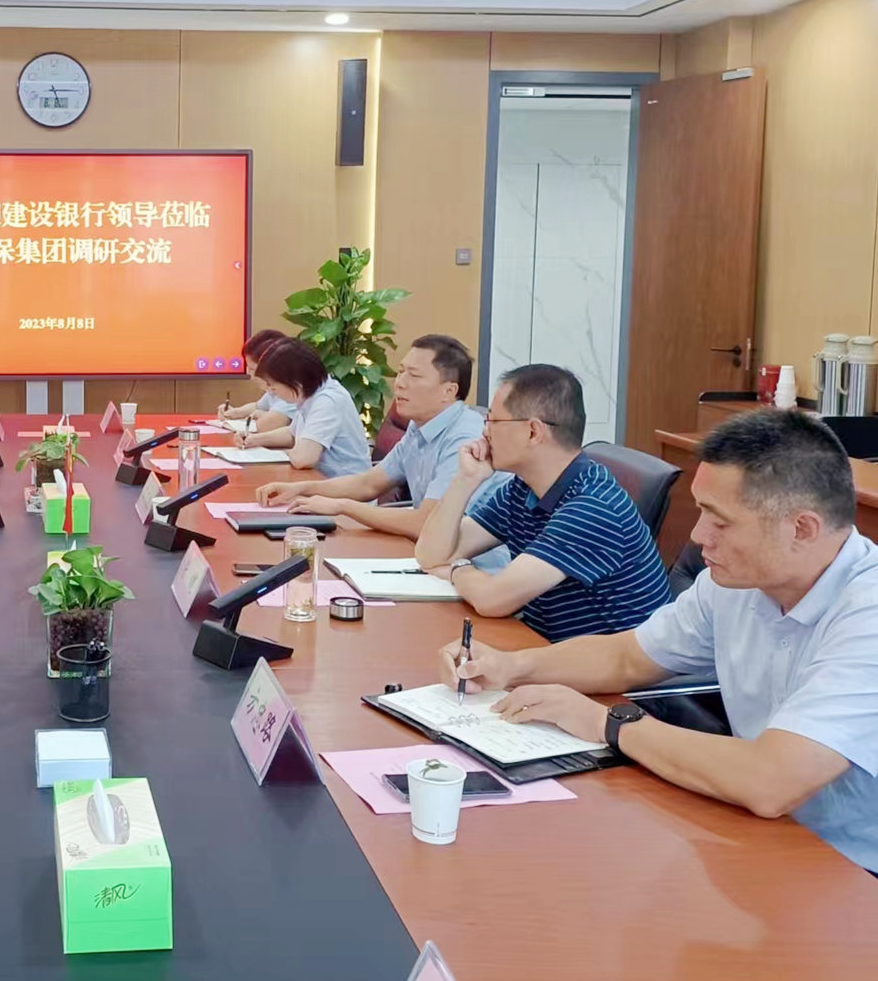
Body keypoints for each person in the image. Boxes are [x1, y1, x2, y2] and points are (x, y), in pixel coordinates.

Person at [440, 409, 878, 874]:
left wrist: (608, 724)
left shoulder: (866, 615)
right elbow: (627, 656)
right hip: (752, 833)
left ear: (802, 529)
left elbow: (772, 781)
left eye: (720, 522)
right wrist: (510, 666)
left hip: (848, 872)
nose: (698, 536)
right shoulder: (737, 583)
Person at [415, 364, 669, 641]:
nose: (484, 432)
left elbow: (492, 599)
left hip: (608, 664)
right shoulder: (522, 488)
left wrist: (458, 569)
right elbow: (431, 555)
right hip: (545, 645)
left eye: (493, 421)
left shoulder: (592, 506)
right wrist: (465, 479)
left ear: (533, 432)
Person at [255, 334, 508, 543]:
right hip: (429, 553)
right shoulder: (419, 427)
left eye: (414, 376)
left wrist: (343, 506)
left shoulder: (464, 439)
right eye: (401, 372)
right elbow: (369, 484)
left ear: (448, 391)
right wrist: (301, 488)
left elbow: (427, 523)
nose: (400, 383)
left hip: (473, 569)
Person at [236, 338, 373, 478]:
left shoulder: (327, 401)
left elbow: (303, 459)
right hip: (321, 481)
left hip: (346, 487)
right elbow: (292, 434)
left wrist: (285, 453)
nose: (270, 390)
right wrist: (254, 439)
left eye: (273, 386)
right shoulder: (310, 395)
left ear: (294, 380)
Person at [217, 328, 299, 432]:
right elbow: (259, 406)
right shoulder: (274, 389)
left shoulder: (292, 389)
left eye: (252, 369)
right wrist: (235, 413)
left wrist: (261, 416)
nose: (248, 372)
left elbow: (271, 424)